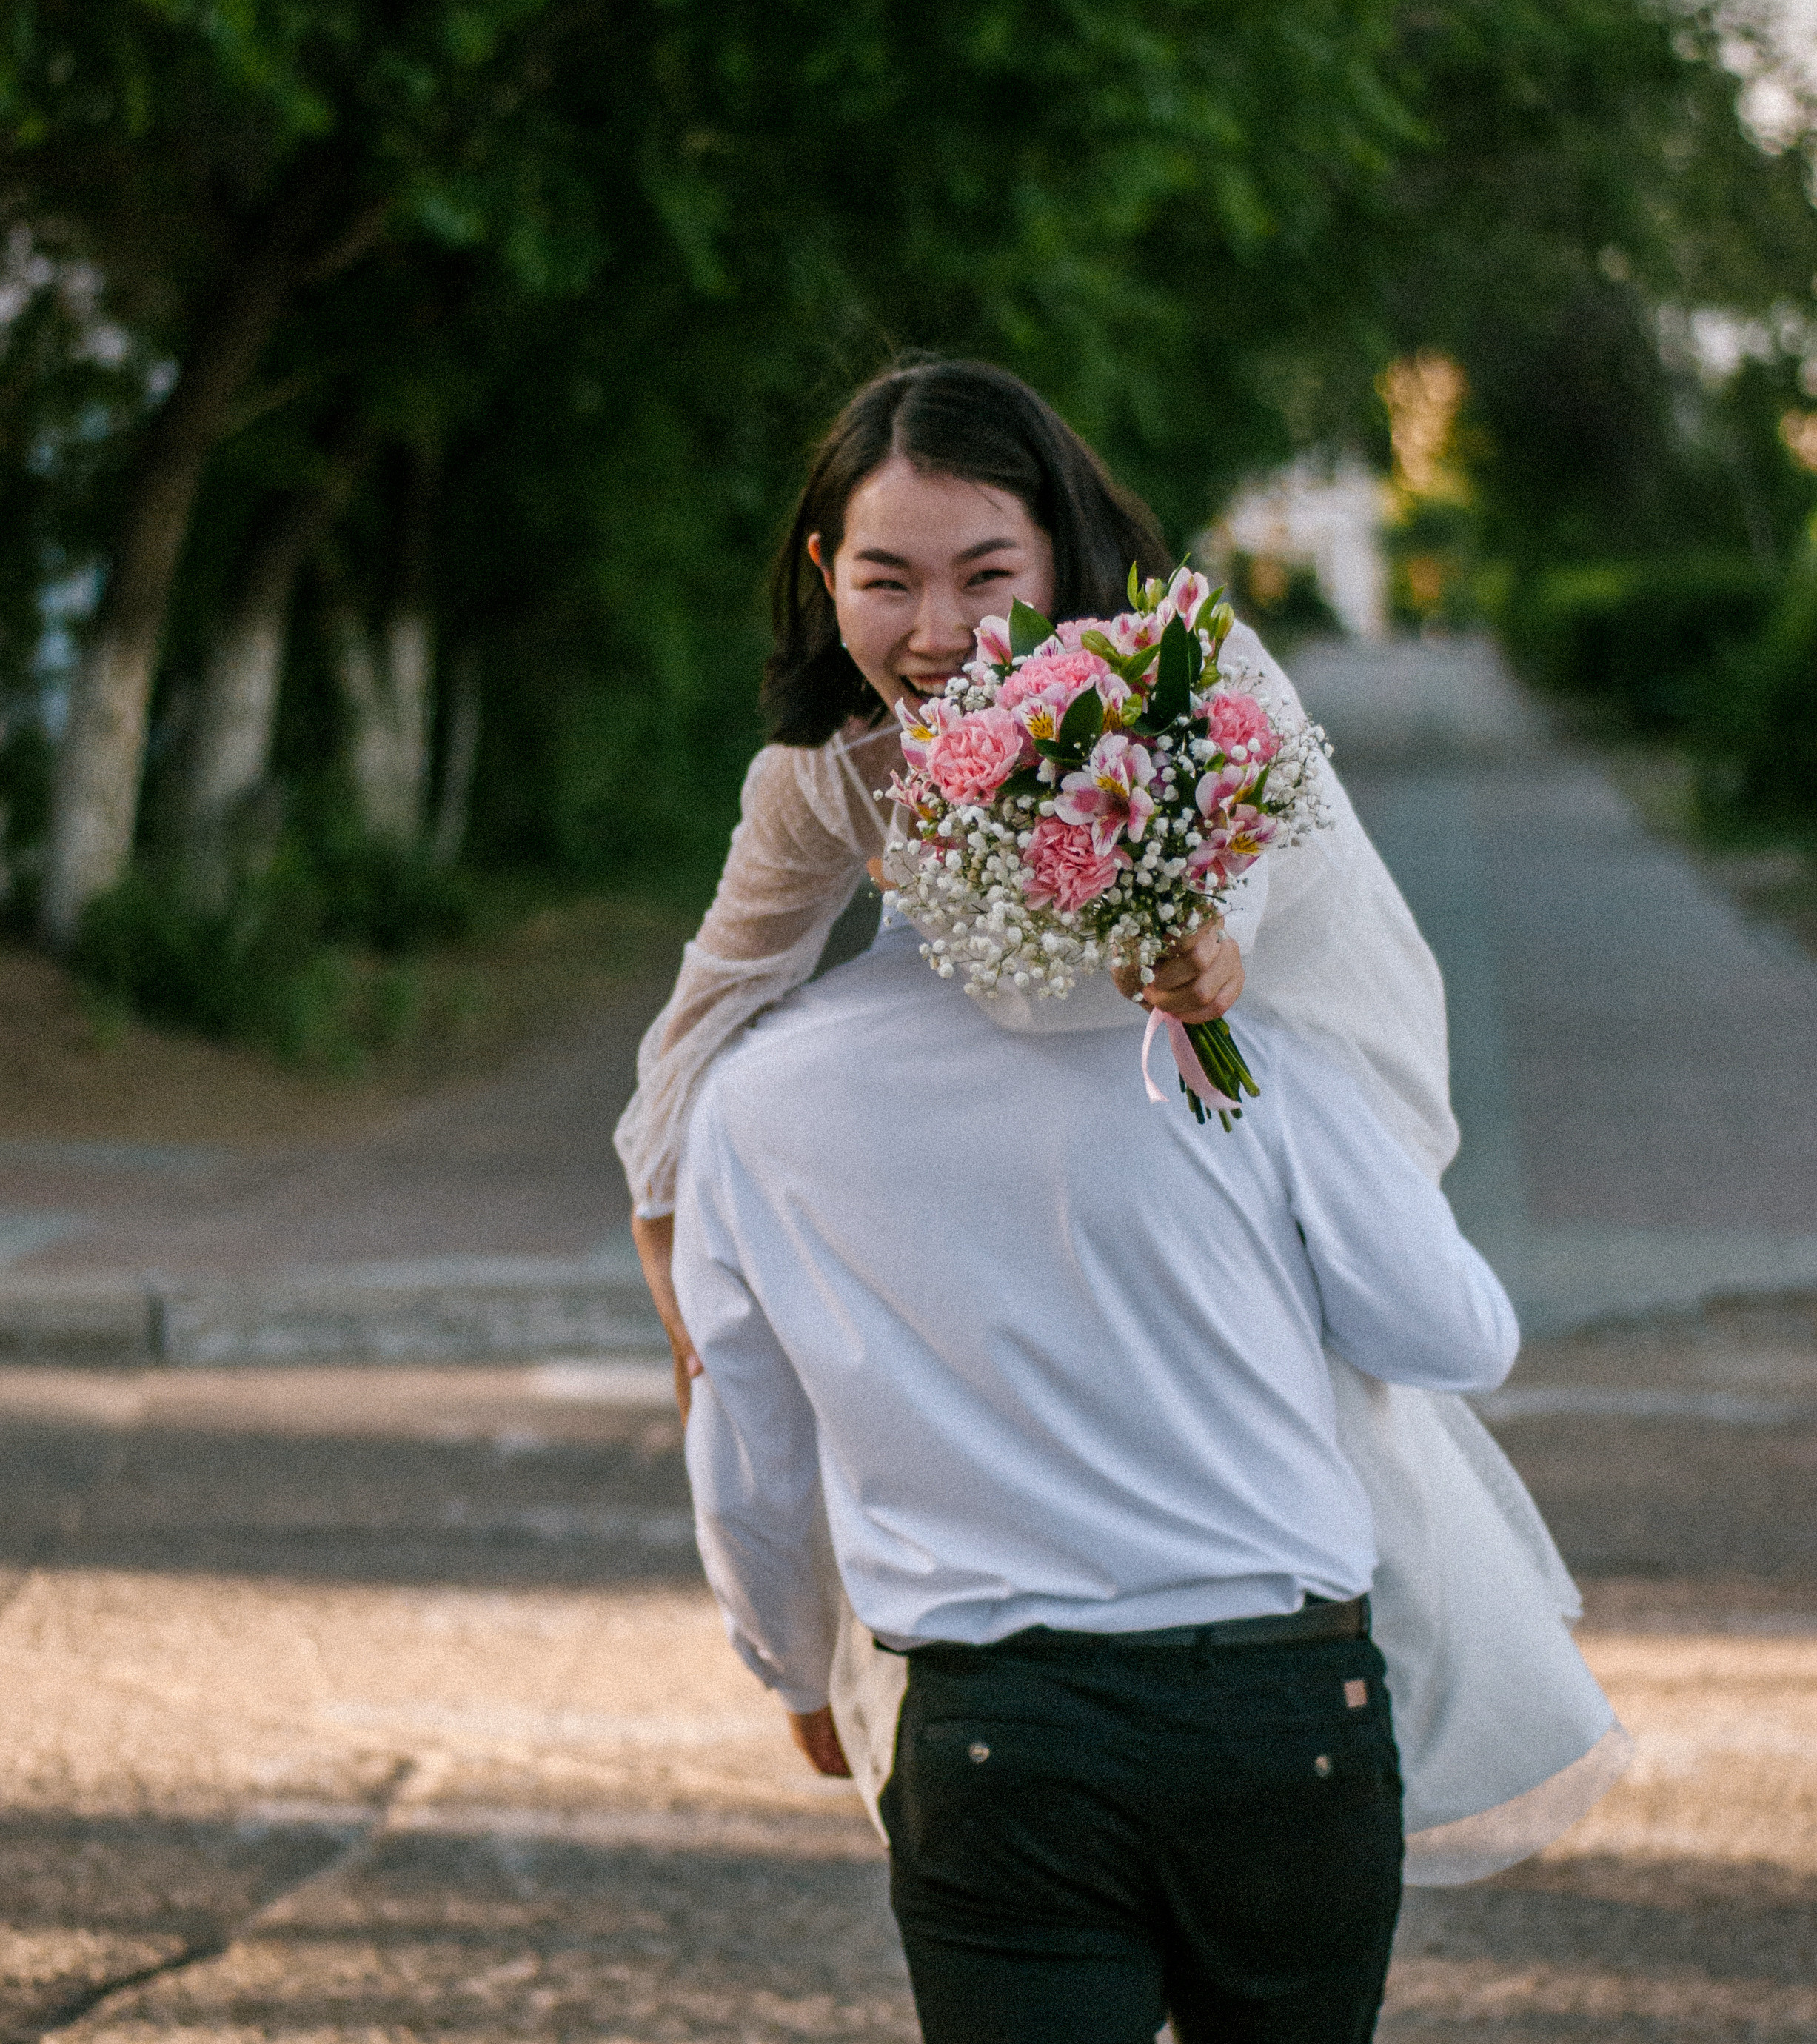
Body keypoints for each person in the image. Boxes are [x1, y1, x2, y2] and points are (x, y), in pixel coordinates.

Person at [616, 355, 1626, 1876]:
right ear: (826, 576)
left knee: (1306, 1414)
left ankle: (1306, 1729)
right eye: (887, 581)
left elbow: (1237, 900)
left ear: (1063, 558)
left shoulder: (1194, 680)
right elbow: (694, 1045)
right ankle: (950, 1707)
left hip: (1261, 1050)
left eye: (986, 576)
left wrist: (1195, 945)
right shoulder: (826, 778)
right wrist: (689, 1289)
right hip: (1006, 1082)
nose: (939, 634)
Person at [672, 902, 1521, 2044]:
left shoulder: (760, 1091)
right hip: (1285, 1718)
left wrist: (792, 1665)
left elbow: (743, 1443)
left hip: (1004, 1736)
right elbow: (1458, 1334)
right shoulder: (1223, 1055)